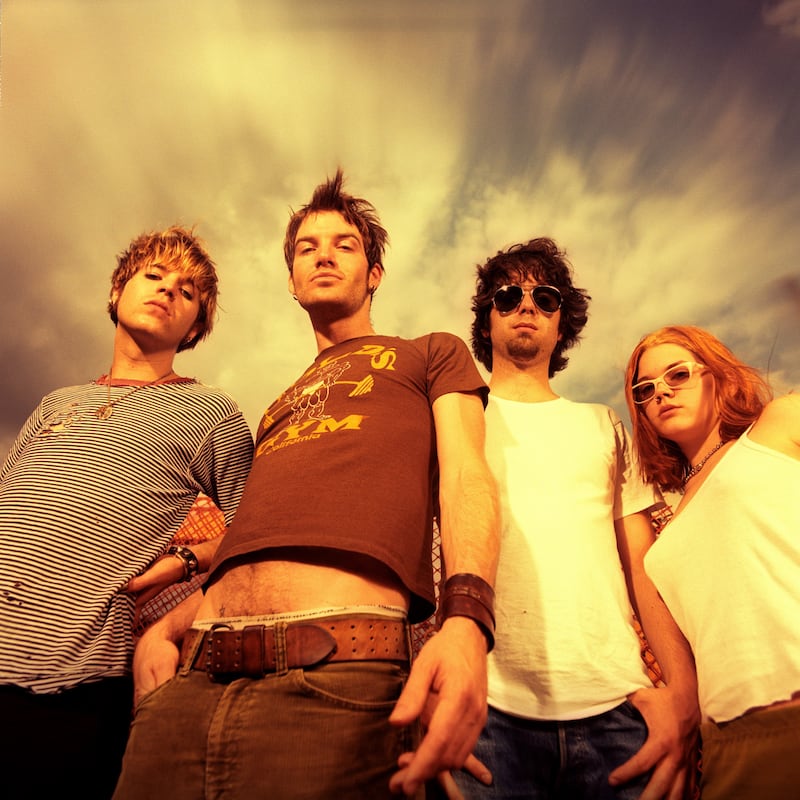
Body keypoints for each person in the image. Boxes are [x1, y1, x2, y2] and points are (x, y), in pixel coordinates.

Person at [112, 171, 500, 800]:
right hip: (191, 683)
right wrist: (164, 630)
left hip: (340, 682)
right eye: (305, 247)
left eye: (345, 244)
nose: (322, 254)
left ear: (374, 273)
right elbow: (250, 543)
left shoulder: (430, 353)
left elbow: (466, 478)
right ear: (292, 281)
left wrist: (467, 623)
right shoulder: (274, 408)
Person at [0, 226, 254, 800]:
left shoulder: (209, 412)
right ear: (118, 290)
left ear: (196, 328)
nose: (168, 290)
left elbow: (252, 535)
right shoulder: (54, 403)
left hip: (72, 688)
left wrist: (186, 559)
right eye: (154, 275)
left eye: (187, 292)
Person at [453, 239, 700, 800]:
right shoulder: (458, 420)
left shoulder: (603, 424)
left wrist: (682, 693)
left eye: (545, 297)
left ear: (562, 324)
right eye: (508, 295)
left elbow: (641, 562)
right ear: (486, 319)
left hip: (618, 709)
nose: (526, 306)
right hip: (484, 710)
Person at [624, 324, 800, 800]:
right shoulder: (671, 518)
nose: (661, 391)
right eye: (645, 389)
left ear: (716, 374)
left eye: (677, 374)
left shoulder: (780, 424)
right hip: (726, 742)